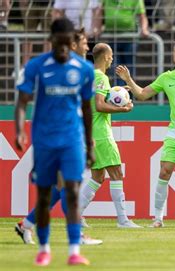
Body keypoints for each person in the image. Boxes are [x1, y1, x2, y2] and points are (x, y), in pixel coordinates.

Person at [15, 18, 94, 266]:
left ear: (72, 42)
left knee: (71, 191)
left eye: (67, 43)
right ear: (51, 40)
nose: (63, 48)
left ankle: (73, 250)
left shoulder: (84, 69)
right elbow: (22, 101)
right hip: (45, 140)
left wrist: (89, 143)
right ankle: (44, 248)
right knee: (44, 194)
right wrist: (19, 130)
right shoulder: (36, 66)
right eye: (59, 43)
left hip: (72, 139)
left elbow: (86, 106)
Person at [116, 39, 175, 228]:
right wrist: (128, 80)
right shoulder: (166, 78)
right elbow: (143, 94)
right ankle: (158, 218)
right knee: (164, 172)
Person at [78, 43, 140, 229]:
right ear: (106, 57)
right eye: (111, 55)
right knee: (117, 174)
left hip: (90, 132)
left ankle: (76, 215)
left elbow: (98, 100)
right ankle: (123, 220)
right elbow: (99, 105)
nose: (112, 58)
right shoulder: (101, 77)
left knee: (97, 177)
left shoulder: (89, 76)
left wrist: (118, 92)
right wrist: (123, 108)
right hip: (101, 133)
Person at [102, 0, 149, 85]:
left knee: (129, 68)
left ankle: (129, 95)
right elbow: (98, 11)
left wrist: (144, 29)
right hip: (112, 38)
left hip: (130, 38)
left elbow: (142, 16)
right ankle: (119, 95)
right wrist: (96, 28)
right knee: (115, 69)